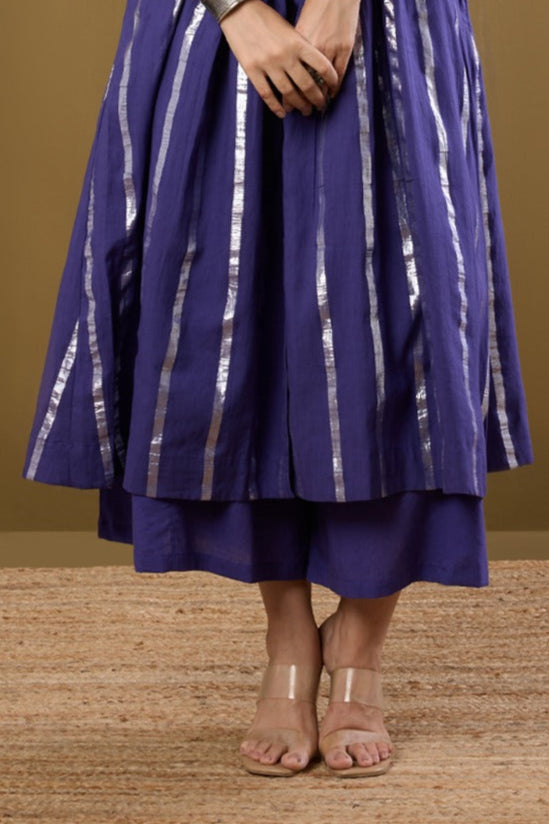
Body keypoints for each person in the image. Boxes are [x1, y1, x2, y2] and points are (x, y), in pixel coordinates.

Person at [22, 0, 534, 778]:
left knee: (403, 336)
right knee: (233, 334)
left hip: (388, 20)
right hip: (210, 28)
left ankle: (359, 645)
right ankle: (289, 636)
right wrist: (237, 11)